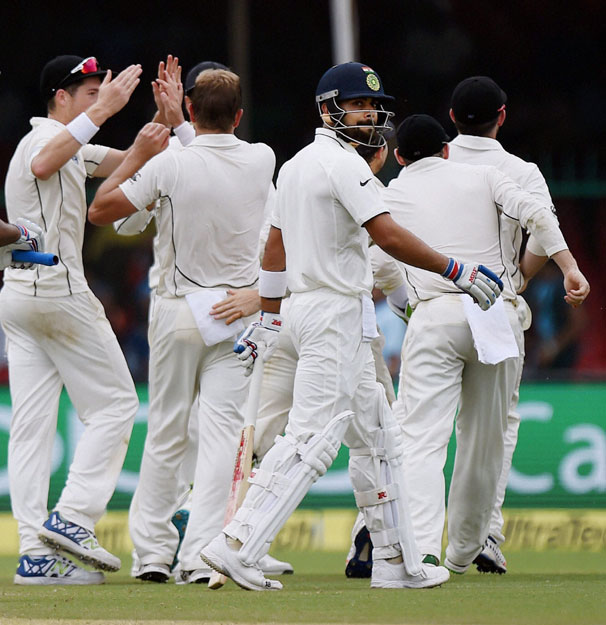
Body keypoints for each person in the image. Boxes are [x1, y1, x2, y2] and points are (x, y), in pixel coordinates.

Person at [200, 62, 503, 592]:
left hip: (320, 310)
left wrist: (270, 318)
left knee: (380, 437)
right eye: (357, 105)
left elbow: (275, 247)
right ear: (327, 110)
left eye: (372, 106)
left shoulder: (295, 165)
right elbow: (386, 235)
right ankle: (236, 544)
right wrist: (455, 269)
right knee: (313, 438)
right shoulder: (343, 165)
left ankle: (395, 561)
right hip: (333, 310)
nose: (369, 114)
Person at [89, 68, 276, 584]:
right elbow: (214, 158)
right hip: (238, 312)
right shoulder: (263, 159)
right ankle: (199, 559)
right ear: (239, 117)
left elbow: (101, 210)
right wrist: (183, 125)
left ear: (191, 111)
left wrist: (148, 147)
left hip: (179, 311)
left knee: (168, 432)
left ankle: (151, 554)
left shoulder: (170, 164)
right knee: (220, 439)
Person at [384, 114, 589, 574]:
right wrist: (570, 267)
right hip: (494, 311)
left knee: (420, 438)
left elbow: (382, 263)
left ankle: (422, 551)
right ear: (446, 148)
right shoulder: (485, 175)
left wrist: (407, 307)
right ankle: (463, 550)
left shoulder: (390, 193)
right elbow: (538, 215)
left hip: (435, 313)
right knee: (485, 440)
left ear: (398, 157)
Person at [0, 54, 142, 585]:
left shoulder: (72, 146)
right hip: (54, 289)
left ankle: (36, 553)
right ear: (61, 96)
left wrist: (166, 130)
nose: (97, 100)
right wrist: (103, 110)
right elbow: (44, 163)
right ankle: (74, 516)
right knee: (116, 405)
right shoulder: (41, 139)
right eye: (88, 93)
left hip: (20, 295)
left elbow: (125, 162)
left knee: (32, 428)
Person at [447, 76, 590, 572]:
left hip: (433, 304)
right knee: (494, 427)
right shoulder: (519, 170)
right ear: (502, 117)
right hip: (493, 306)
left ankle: (404, 536)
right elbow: (541, 228)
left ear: (450, 117)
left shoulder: (429, 163)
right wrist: (521, 275)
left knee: (419, 428)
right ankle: (484, 533)